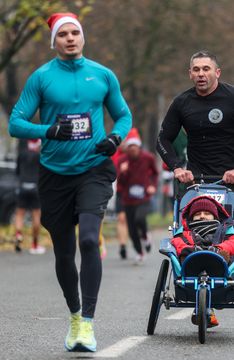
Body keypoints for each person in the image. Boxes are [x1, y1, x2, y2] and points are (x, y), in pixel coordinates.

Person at [8, 13, 131, 352]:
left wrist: (116, 138)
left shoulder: (103, 75)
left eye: (75, 32)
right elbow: (16, 123)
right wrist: (46, 130)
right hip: (54, 175)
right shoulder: (42, 78)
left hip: (94, 169)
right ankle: (74, 316)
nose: (70, 38)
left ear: (83, 37)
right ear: (54, 42)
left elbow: (123, 114)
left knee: (90, 241)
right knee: (64, 252)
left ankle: (88, 324)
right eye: (63, 34)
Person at [156, 50, 234, 190]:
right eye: (196, 70)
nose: (201, 74)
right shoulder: (181, 102)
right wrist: (177, 169)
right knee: (198, 212)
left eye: (206, 69)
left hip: (231, 180)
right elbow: (162, 140)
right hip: (195, 181)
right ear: (191, 74)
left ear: (217, 73)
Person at [170, 196, 234, 328]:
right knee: (185, 252)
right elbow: (177, 241)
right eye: (197, 214)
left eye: (207, 213)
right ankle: (189, 256)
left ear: (215, 216)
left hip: (221, 266)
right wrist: (186, 250)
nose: (202, 216)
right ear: (191, 218)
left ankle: (219, 257)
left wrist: (219, 249)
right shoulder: (185, 233)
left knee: (229, 255)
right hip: (192, 265)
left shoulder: (226, 230)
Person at [117, 129, 158, 264]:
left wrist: (153, 186)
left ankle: (146, 235)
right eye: (130, 145)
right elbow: (120, 183)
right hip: (128, 198)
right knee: (132, 229)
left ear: (139, 145)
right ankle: (140, 252)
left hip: (143, 196)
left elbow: (156, 173)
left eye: (135, 145)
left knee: (139, 218)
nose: (133, 148)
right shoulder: (122, 160)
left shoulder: (148, 157)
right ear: (127, 147)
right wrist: (123, 172)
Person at [14, 139, 43, 254]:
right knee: (36, 216)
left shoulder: (22, 154)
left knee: (19, 214)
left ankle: (18, 234)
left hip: (22, 187)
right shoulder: (39, 156)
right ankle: (34, 244)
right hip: (35, 188)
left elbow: (17, 171)